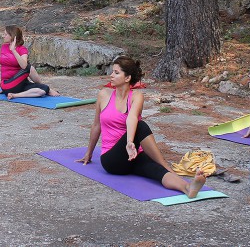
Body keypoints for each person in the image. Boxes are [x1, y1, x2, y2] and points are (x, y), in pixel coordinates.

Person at [77, 55, 206, 198]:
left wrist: (130, 144)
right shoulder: (104, 94)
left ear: (127, 78)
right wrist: (89, 153)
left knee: (157, 171)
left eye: (116, 72)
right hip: (112, 160)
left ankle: (187, 187)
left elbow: (132, 118)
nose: (111, 75)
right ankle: (165, 164)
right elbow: (96, 125)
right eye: (112, 72)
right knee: (141, 126)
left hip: (132, 155)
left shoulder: (136, 96)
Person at [0, 25, 59, 99]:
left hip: (20, 84)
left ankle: (15, 95)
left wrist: (14, 51)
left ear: (13, 36)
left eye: (5, 34)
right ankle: (48, 89)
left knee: (44, 89)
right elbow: (24, 67)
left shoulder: (22, 49)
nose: (3, 36)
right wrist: (5, 88)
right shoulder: (4, 47)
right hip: (7, 84)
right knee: (29, 67)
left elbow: (23, 66)